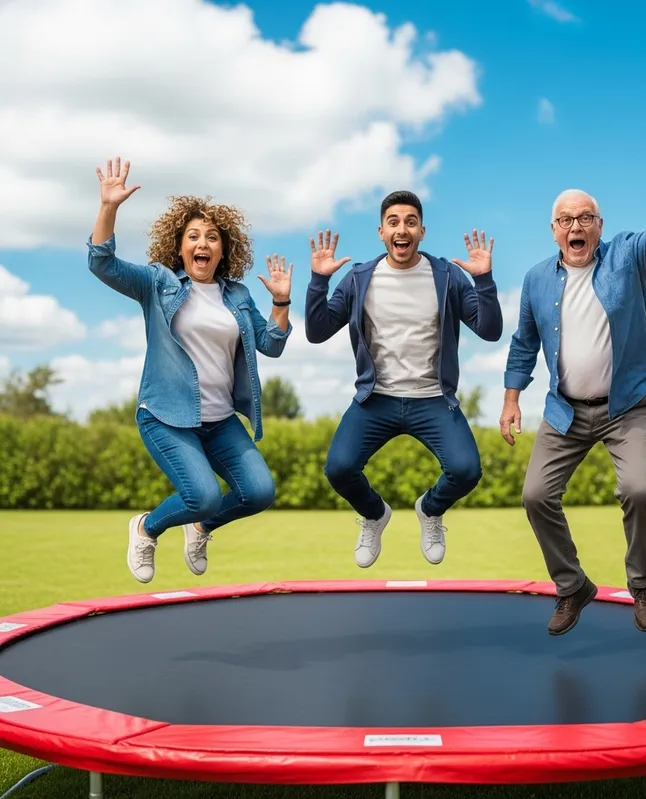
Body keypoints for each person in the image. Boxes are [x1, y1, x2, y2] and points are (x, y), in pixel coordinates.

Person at [499, 100, 646, 636]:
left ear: (599, 225)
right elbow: (523, 342)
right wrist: (512, 398)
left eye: (585, 218)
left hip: (626, 406)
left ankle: (641, 582)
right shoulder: (535, 279)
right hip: (565, 412)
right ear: (554, 229)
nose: (576, 226)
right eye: (566, 220)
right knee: (535, 496)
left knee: (639, 492)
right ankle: (573, 586)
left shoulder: (628, 256)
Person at [87, 157, 294, 584]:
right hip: (167, 416)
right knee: (200, 496)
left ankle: (201, 528)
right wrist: (109, 207)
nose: (203, 243)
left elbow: (271, 344)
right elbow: (102, 264)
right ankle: (146, 528)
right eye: (194, 236)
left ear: (224, 249)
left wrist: (280, 303)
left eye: (212, 237)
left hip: (219, 422)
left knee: (258, 492)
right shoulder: (158, 283)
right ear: (180, 247)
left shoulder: (236, 296)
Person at [305, 191, 503, 567]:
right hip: (375, 399)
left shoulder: (446, 276)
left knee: (466, 470)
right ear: (382, 231)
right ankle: (374, 514)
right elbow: (317, 331)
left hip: (432, 399)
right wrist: (318, 281)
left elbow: (489, 330)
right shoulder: (360, 277)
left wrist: (484, 281)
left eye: (410, 221)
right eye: (393, 222)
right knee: (339, 468)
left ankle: (430, 510)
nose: (402, 229)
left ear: (422, 231)